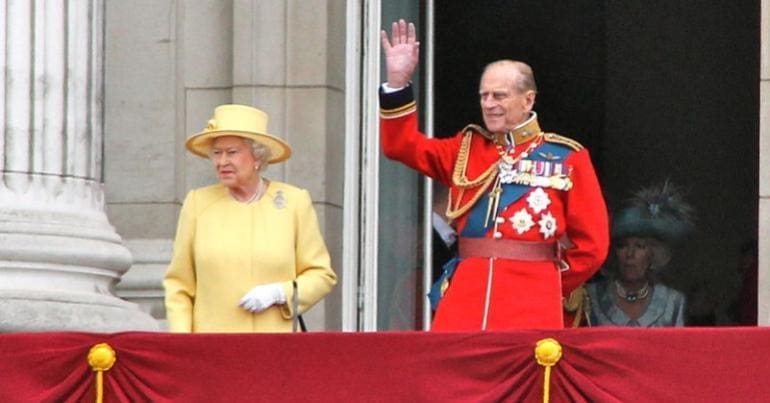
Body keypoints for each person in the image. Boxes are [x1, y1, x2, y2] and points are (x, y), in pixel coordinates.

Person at [379, 20, 609, 331]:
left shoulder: (568, 157)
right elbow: (400, 146)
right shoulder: (466, 149)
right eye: (483, 96)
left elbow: (593, 246)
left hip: (532, 308)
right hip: (464, 304)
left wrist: (546, 283)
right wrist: (397, 83)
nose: (488, 104)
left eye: (499, 96)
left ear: (528, 100)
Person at [163, 104, 337, 333]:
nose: (222, 161)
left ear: (257, 156)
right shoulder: (198, 203)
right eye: (216, 153)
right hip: (211, 349)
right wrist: (182, 343)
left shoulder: (293, 202)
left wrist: (280, 293)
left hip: (273, 349)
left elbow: (321, 275)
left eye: (232, 152)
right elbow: (179, 285)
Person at [586, 181, 693, 327]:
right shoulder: (591, 297)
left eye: (640, 246)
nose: (630, 254)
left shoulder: (672, 301)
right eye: (622, 246)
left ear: (654, 254)